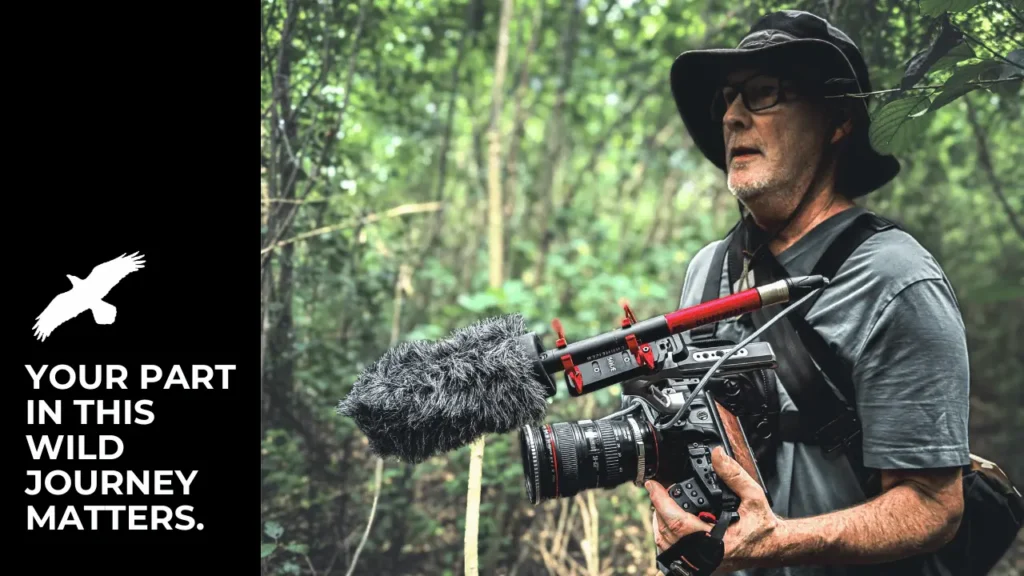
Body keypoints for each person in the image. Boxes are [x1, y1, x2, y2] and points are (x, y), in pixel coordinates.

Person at [644, 10, 972, 576]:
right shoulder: (707, 270)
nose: (732, 117)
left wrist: (780, 541)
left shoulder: (896, 279)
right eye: (727, 99)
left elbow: (935, 506)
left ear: (837, 120)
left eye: (763, 93)